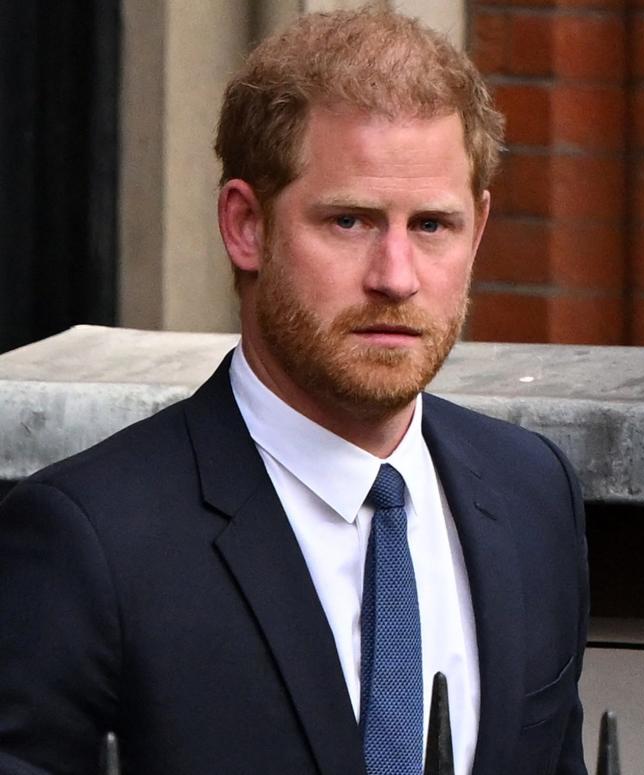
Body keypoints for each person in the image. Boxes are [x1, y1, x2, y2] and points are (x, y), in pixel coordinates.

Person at [0, 9, 588, 775]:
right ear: (246, 226)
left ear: (477, 230)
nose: (397, 276)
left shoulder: (533, 493)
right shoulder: (89, 545)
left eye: (434, 225)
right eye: (350, 220)